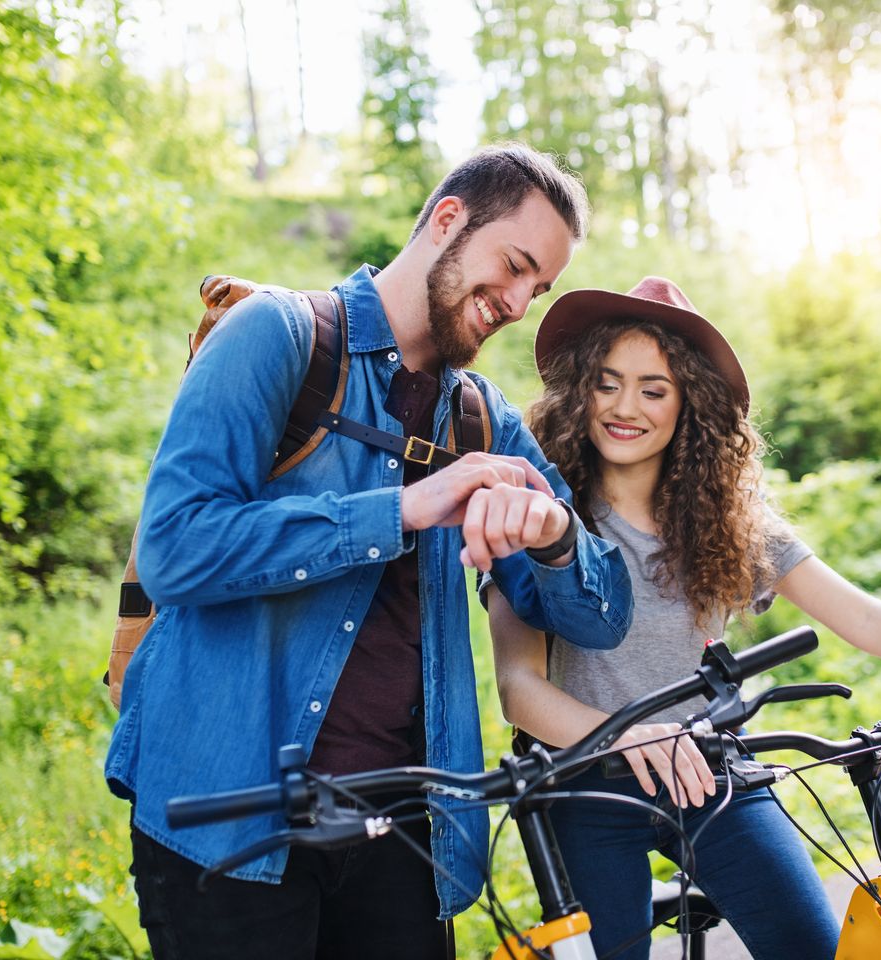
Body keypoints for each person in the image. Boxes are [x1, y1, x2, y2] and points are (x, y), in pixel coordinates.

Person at [104, 145, 634, 960]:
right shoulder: (275, 337)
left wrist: (557, 538)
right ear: (448, 220)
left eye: (542, 286)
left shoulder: (482, 419)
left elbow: (603, 615)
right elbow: (176, 547)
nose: (522, 302)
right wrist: (400, 510)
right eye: (516, 265)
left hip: (404, 834)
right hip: (229, 820)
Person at [485, 276, 881, 960]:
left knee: (810, 945)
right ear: (579, 391)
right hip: (586, 787)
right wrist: (628, 736)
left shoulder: (726, 523)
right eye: (607, 382)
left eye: (654, 389)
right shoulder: (538, 514)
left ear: (689, 407)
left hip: (711, 774)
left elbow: (864, 617)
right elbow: (519, 689)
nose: (627, 407)